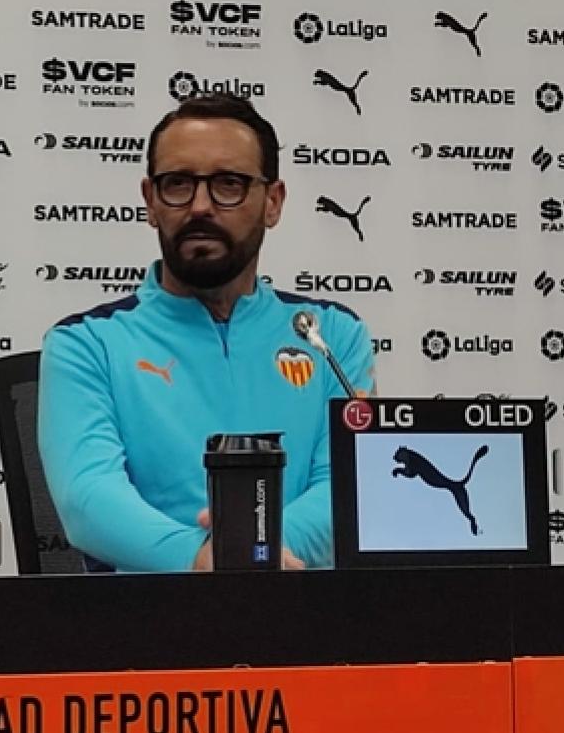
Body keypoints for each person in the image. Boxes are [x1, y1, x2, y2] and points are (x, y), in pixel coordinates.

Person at [37, 93, 375, 573]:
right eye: (177, 184)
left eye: (228, 184)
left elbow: (346, 486)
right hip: (149, 632)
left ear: (272, 203)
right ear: (151, 202)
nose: (200, 206)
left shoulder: (332, 335)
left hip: (306, 622)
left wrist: (250, 553)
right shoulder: (85, 344)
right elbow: (88, 498)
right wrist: (198, 561)